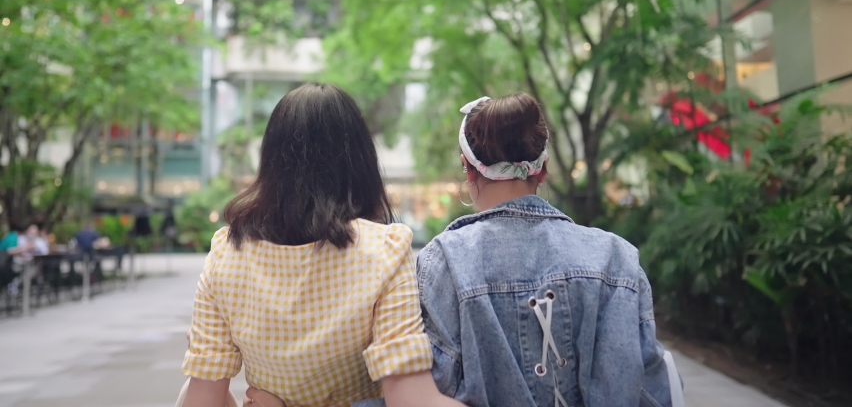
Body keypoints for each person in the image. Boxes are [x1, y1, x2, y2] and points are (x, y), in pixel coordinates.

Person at [181, 83, 466, 407]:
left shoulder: (226, 253)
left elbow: (202, 399)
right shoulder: (384, 251)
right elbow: (411, 399)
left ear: (271, 161)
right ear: (360, 160)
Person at [413, 94, 683, 407]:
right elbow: (653, 392)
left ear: (469, 169)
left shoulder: (445, 262)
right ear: (543, 169)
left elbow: (429, 388)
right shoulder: (615, 257)